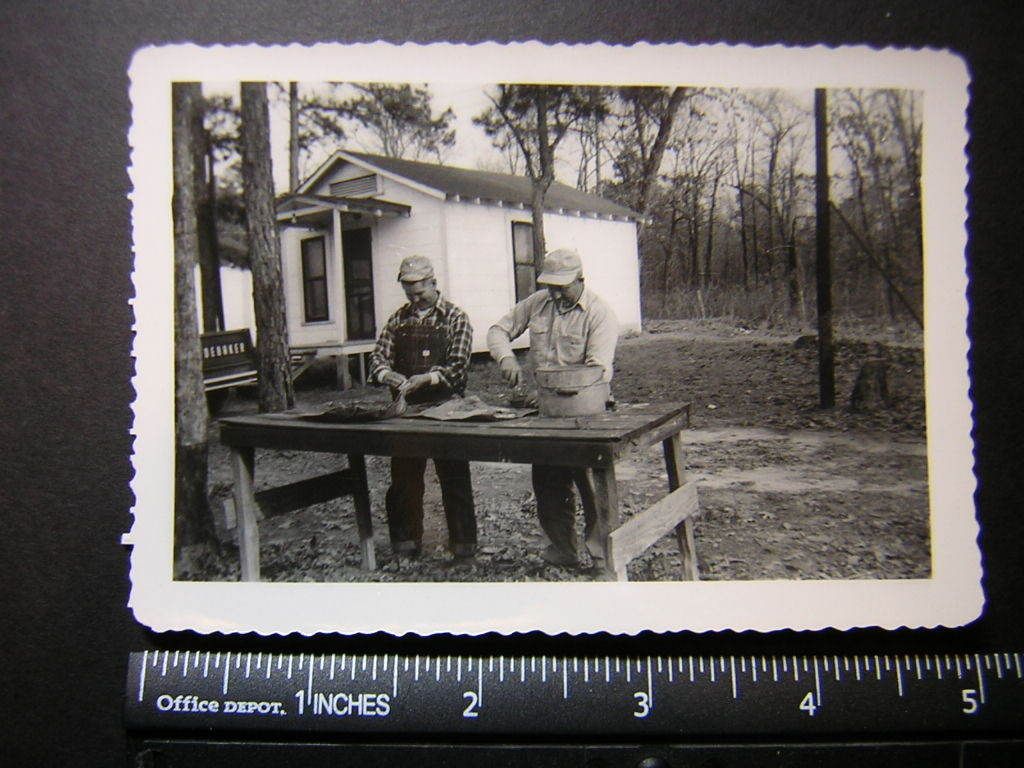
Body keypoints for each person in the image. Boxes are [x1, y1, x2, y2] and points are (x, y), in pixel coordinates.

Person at [487, 247, 619, 570]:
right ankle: (562, 549)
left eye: (563, 286)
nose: (556, 292)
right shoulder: (537, 304)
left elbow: (597, 370)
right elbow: (497, 330)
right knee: (547, 480)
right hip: (544, 411)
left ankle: (602, 555)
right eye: (551, 285)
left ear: (581, 280)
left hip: (586, 410)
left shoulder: (600, 314)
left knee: (590, 484)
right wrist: (505, 357)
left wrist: (559, 391)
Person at [368, 255, 477, 560]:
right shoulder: (398, 319)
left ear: (433, 283)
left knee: (454, 477)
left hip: (448, 408)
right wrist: (387, 374)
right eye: (409, 293)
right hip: (406, 411)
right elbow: (377, 358)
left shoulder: (456, 318)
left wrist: (426, 378)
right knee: (404, 479)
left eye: (420, 292)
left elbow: (457, 368)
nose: (415, 299)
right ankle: (406, 544)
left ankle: (464, 545)